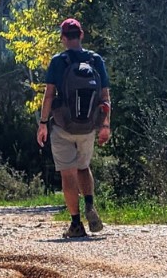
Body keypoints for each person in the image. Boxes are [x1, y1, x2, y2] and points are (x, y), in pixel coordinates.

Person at [36, 18, 111, 239]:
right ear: (81, 35)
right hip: (88, 126)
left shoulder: (59, 62)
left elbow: (49, 95)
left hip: (62, 126)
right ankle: (89, 204)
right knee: (83, 167)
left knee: (68, 175)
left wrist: (42, 123)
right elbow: (105, 97)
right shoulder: (95, 60)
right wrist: (105, 125)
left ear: (63, 38)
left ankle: (76, 224)